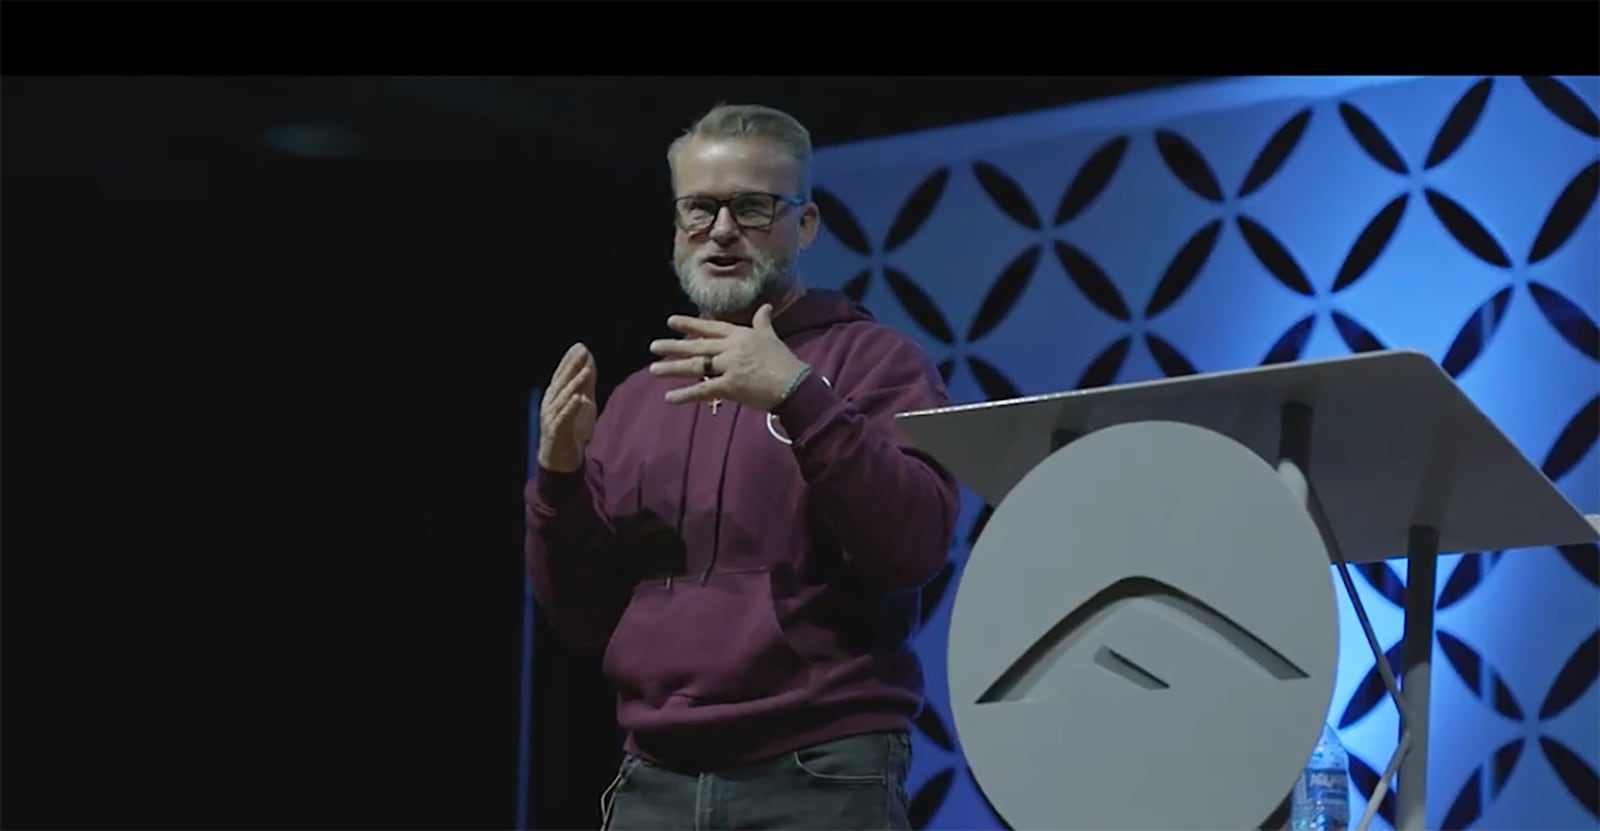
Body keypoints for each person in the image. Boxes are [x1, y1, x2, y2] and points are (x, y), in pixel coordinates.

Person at [524, 102, 960, 831]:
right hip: (654, 779)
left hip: (820, 771)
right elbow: (579, 613)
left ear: (805, 224)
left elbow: (913, 546)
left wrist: (798, 395)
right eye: (699, 209)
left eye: (752, 207)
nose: (722, 230)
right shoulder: (635, 399)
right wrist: (559, 477)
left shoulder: (875, 363)